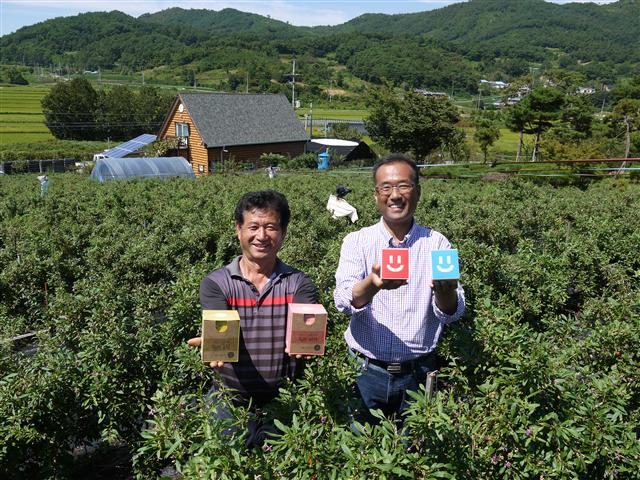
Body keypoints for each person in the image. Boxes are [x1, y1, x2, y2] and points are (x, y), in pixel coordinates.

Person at [333, 153, 465, 428]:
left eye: (404, 186)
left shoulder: (437, 243)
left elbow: (452, 312)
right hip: (364, 370)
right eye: (386, 187)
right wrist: (372, 284)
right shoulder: (358, 242)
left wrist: (444, 293)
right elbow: (343, 299)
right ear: (376, 195)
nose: (395, 195)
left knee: (414, 450)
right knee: (360, 451)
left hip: (418, 371)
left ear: (417, 192)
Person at [188, 190, 317, 446]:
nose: (261, 235)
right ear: (238, 230)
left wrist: (308, 340)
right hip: (229, 405)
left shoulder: (299, 283)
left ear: (283, 232)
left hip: (284, 405)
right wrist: (213, 344)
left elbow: (306, 324)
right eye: (254, 226)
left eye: (271, 227)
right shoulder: (217, 283)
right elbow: (220, 328)